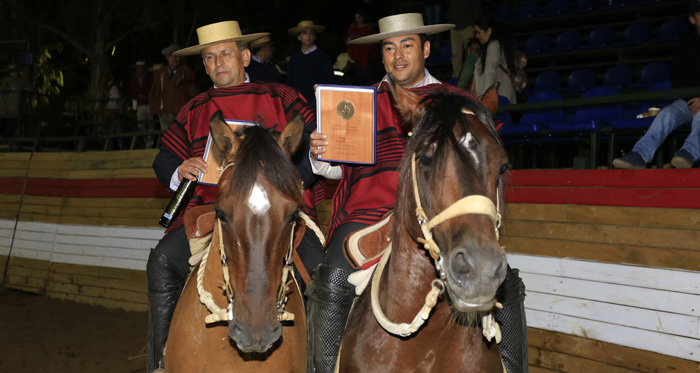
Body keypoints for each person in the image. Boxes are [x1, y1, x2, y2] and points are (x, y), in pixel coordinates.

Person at [303, 13, 528, 373]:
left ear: (424, 49)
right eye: (389, 48)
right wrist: (320, 153)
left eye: (407, 45)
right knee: (331, 275)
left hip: (442, 210)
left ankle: (513, 367)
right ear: (382, 56)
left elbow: (482, 155)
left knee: (508, 281)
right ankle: (324, 368)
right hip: (368, 213)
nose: (398, 56)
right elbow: (335, 169)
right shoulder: (361, 102)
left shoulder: (455, 101)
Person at [147, 20, 319, 372]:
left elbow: (319, 149)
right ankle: (160, 360)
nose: (217, 63)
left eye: (225, 53)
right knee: (162, 260)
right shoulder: (194, 108)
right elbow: (163, 158)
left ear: (244, 56)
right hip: (211, 211)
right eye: (209, 57)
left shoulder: (282, 97)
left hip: (275, 214)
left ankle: (321, 360)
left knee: (322, 270)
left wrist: (286, 183)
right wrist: (180, 167)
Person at [613, 2, 700, 169]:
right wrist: (694, 98)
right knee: (667, 114)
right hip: (690, 100)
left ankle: (688, 154)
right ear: (692, 19)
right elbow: (678, 80)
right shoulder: (685, 44)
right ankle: (638, 155)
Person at [149, 43, 199, 132]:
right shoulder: (160, 73)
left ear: (180, 58)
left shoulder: (187, 73)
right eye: (171, 56)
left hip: (181, 114)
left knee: (181, 138)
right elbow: (154, 92)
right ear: (167, 57)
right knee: (166, 139)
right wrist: (155, 108)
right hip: (164, 113)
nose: (174, 59)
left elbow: (194, 95)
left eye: (177, 56)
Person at [286, 20, 334, 107]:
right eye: (304, 33)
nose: (308, 36)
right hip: (297, 100)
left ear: (315, 36)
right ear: (299, 37)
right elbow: (290, 79)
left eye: (311, 33)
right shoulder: (295, 57)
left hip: (316, 101)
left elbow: (329, 80)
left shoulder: (323, 56)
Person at [470, 18, 518, 104]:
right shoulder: (497, 45)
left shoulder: (493, 46)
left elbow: (489, 73)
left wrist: (485, 97)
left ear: (489, 31)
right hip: (501, 97)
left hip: (499, 100)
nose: (477, 36)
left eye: (479, 32)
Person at [448, 0, 482, 80]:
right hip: (454, 28)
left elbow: (477, 10)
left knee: (470, 53)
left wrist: (471, 24)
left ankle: (471, 76)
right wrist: (451, 22)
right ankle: (456, 76)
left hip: (467, 28)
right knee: (456, 54)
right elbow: (450, 9)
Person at [0, 64, 33, 138]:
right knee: (11, 124)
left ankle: (5, 138)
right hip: (10, 107)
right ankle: (5, 138)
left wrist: (23, 89)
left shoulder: (24, 81)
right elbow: (2, 90)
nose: (15, 73)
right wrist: (14, 89)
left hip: (21, 107)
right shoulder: (7, 81)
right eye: (13, 71)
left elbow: (30, 89)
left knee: (17, 123)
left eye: (16, 71)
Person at [345, 11, 377, 85]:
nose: (357, 20)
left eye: (359, 17)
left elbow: (373, 42)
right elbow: (347, 42)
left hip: (367, 57)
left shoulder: (368, 28)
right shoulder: (353, 29)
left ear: (363, 18)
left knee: (369, 79)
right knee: (360, 79)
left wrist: (362, 39)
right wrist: (351, 38)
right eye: (356, 18)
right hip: (357, 58)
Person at [128, 61, 155, 148]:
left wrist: (147, 97)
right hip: (139, 104)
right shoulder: (133, 80)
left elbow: (153, 90)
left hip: (149, 103)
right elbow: (131, 92)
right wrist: (138, 97)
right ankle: (146, 140)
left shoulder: (149, 79)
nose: (140, 70)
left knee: (150, 123)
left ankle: (150, 143)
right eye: (138, 68)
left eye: (142, 68)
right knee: (141, 124)